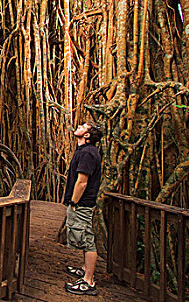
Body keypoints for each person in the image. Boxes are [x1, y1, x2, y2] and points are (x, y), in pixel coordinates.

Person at [63, 121, 103, 296]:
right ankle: (85, 269)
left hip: (82, 203)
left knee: (87, 240)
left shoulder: (87, 153)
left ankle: (88, 281)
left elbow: (82, 181)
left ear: (87, 135)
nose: (77, 127)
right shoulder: (84, 151)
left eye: (82, 127)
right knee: (82, 235)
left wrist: (73, 202)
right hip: (82, 202)